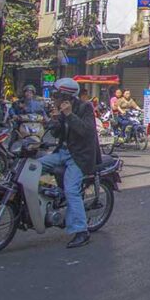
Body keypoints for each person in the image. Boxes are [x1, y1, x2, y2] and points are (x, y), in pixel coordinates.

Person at [42, 78, 101, 248]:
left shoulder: (85, 107)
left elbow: (86, 132)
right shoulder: (61, 110)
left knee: (71, 190)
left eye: (56, 95)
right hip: (63, 152)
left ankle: (81, 231)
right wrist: (54, 122)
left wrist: (69, 115)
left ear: (65, 96)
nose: (54, 99)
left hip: (80, 156)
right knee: (34, 166)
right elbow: (57, 134)